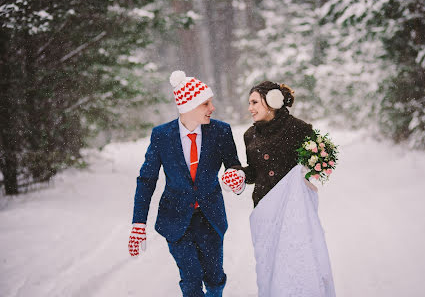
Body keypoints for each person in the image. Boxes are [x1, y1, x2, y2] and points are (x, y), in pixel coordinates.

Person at [128, 70, 241, 297]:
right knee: (190, 278)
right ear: (189, 105)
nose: (212, 108)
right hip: (175, 219)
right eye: (206, 103)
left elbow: (234, 166)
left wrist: (236, 180)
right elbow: (147, 180)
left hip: (210, 218)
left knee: (214, 276)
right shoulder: (161, 135)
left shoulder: (221, 131)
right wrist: (138, 223)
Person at [222, 81, 336, 297]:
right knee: (270, 267)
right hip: (265, 208)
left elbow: (320, 162)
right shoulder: (249, 135)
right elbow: (255, 172)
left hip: (295, 211)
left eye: (254, 102)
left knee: (298, 263)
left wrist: (309, 172)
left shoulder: (299, 129)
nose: (250, 108)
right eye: (249, 103)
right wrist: (240, 175)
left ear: (272, 101)